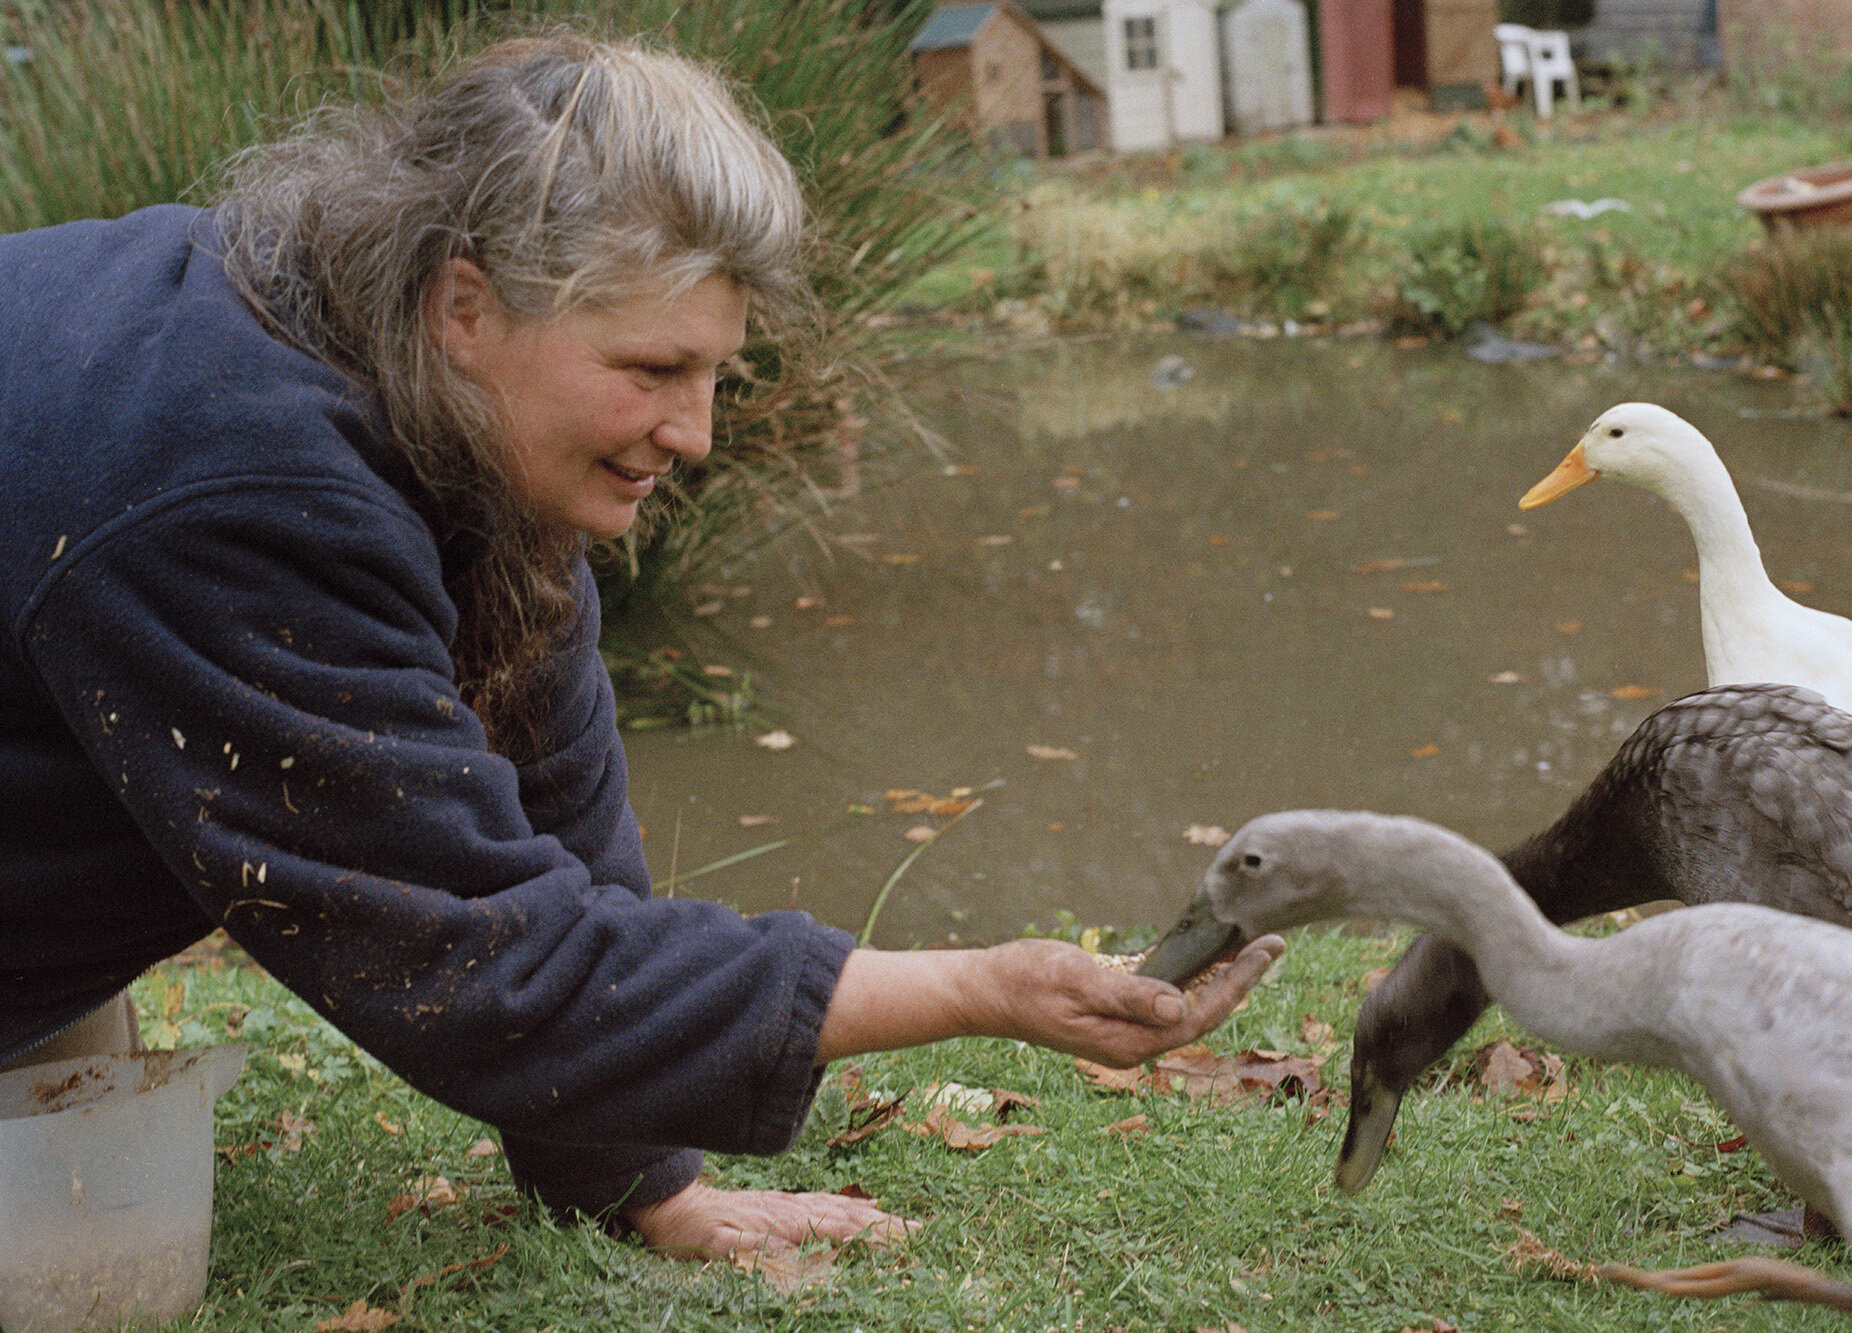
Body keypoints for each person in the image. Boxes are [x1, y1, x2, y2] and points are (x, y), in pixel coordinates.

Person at [0, 30, 1283, 1260]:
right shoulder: (239, 481)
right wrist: (982, 988)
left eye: (716, 373)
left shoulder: (428, 403)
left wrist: (639, 1182)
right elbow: (487, 964)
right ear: (465, 305)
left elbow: (560, 851)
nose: (697, 432)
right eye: (654, 367)